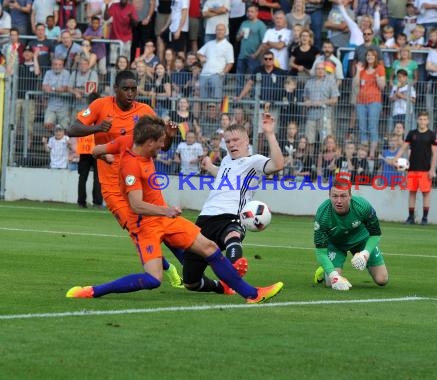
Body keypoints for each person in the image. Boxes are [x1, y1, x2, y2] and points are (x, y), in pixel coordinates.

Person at [67, 115, 284, 302]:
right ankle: (94, 291)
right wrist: (166, 210)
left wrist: (105, 155)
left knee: (209, 248)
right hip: (146, 224)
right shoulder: (131, 167)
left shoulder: (126, 141)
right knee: (153, 280)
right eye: (160, 143)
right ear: (149, 142)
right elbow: (136, 205)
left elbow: (96, 150)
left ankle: (252, 293)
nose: (163, 147)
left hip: (166, 219)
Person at [67, 70, 184, 288]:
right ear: (116, 90)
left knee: (164, 225)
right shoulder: (101, 106)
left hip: (142, 183)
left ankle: (191, 271)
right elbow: (71, 129)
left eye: (134, 89)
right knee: (136, 229)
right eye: (126, 89)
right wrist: (96, 128)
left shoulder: (145, 111)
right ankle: (167, 268)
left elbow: (161, 145)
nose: (130, 93)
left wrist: (168, 135)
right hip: (112, 186)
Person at [196, 114, 284, 276]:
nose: (231, 144)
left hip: (232, 214)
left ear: (246, 141)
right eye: (228, 141)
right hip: (208, 214)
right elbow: (223, 175)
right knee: (192, 268)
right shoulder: (226, 161)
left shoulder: (254, 161)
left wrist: (270, 134)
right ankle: (219, 282)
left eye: (236, 140)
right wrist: (210, 167)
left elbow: (278, 164)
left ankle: (232, 276)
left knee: (232, 236)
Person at [312, 181, 389, 291]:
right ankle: (325, 271)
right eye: (335, 196)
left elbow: (376, 234)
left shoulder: (362, 206)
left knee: (382, 280)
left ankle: (328, 268)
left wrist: (365, 254)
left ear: (350, 196)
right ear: (329, 196)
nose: (339, 201)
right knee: (331, 283)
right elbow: (320, 251)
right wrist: (334, 276)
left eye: (343, 196)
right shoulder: (323, 214)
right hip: (335, 244)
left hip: (361, 240)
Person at [392, 111, 437, 225]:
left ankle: (425, 218)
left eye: (424, 119)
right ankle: (411, 217)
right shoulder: (412, 133)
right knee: (412, 193)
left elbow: (435, 153)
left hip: (425, 169)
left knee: (425, 193)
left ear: (428, 121)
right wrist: (395, 158)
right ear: (417, 120)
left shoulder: (431, 135)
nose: (422, 121)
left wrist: (432, 169)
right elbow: (403, 148)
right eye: (420, 119)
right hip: (412, 169)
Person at [353, 48, 386, 160]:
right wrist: (357, 71)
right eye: (368, 55)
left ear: (375, 57)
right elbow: (355, 85)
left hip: (374, 101)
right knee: (362, 128)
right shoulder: (362, 69)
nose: (370, 57)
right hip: (361, 101)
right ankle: (363, 153)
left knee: (372, 127)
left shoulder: (380, 68)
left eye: (372, 55)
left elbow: (382, 86)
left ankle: (371, 153)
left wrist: (377, 78)